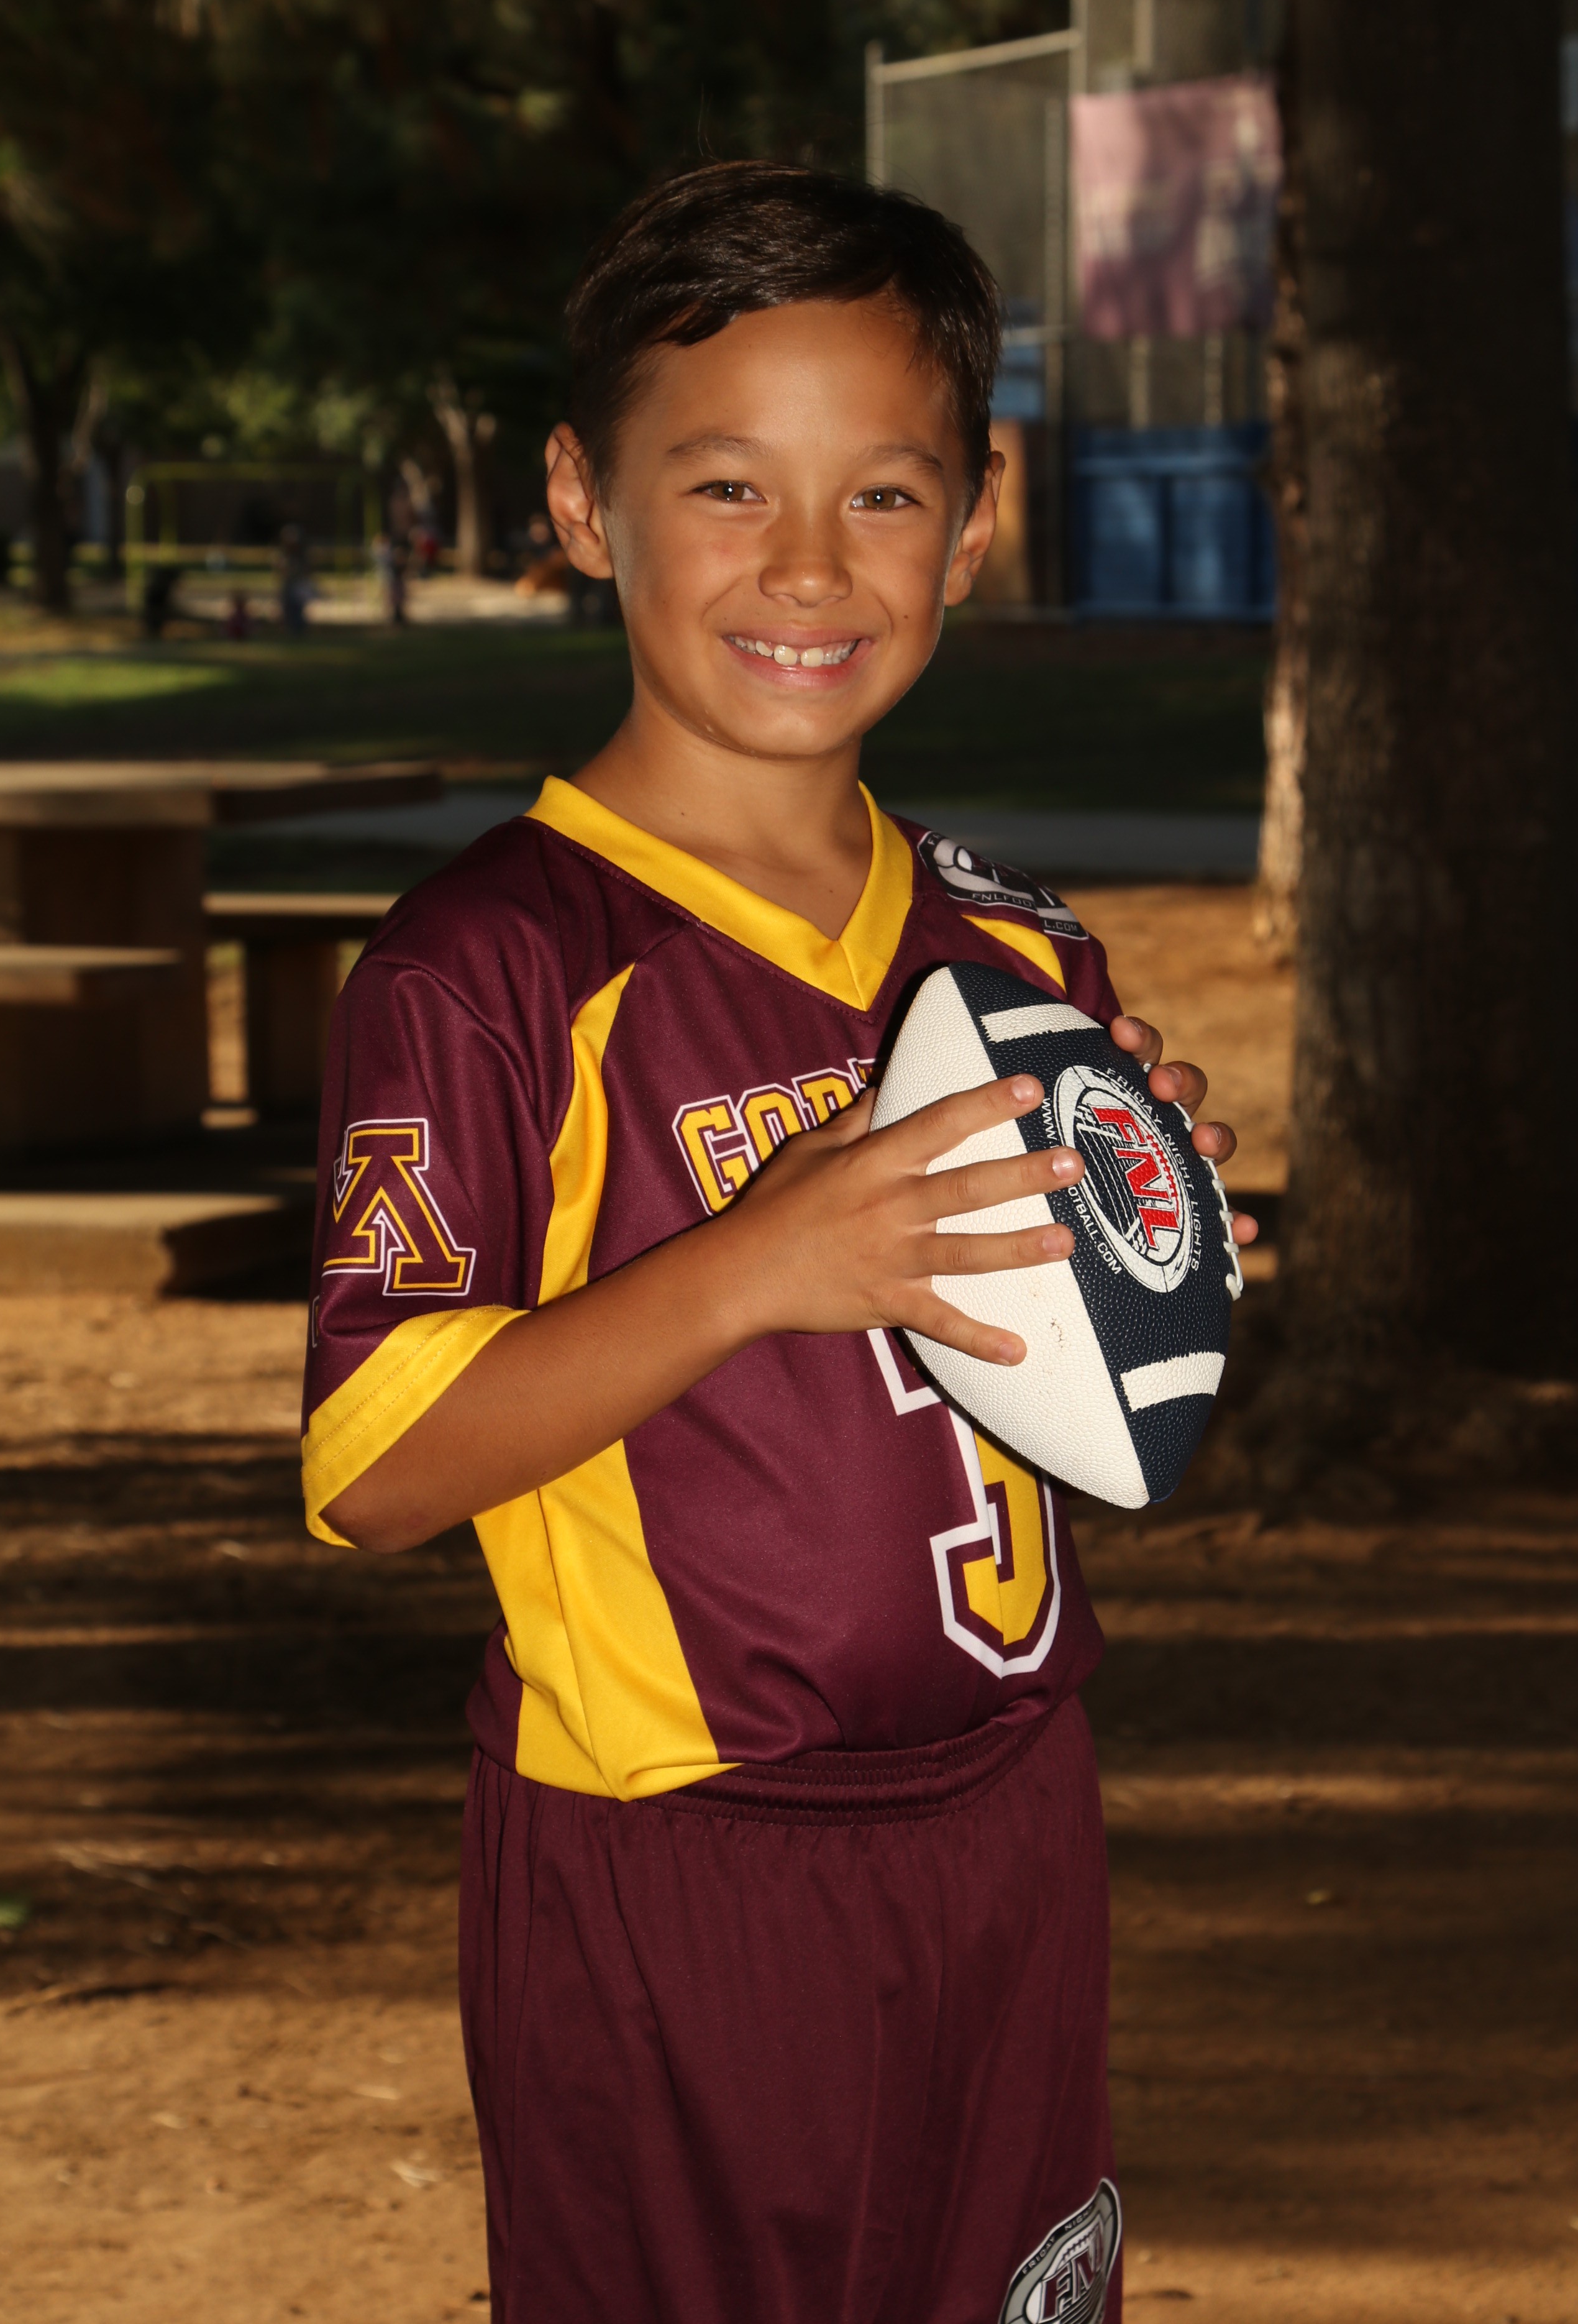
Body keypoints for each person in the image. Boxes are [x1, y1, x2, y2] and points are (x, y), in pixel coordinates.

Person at [300, 163, 1258, 2324]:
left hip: (1014, 1809)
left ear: (977, 519)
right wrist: (759, 1263)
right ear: (582, 500)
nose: (809, 566)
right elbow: (373, 1464)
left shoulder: (1018, 950)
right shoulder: (495, 964)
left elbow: (1090, 1413)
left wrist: (1154, 1237)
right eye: (727, 485)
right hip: (683, 1862)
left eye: (884, 495)